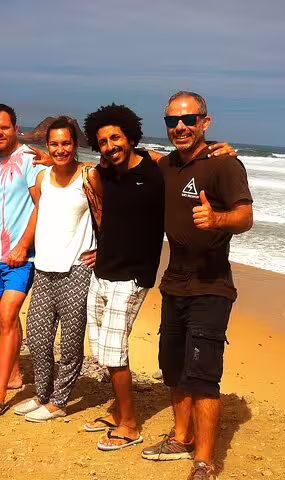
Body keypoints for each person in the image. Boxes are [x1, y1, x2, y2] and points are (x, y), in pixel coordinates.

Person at [141, 92, 253, 480]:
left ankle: (204, 461)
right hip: (173, 284)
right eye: (173, 122)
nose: (181, 127)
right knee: (172, 369)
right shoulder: (167, 165)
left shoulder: (224, 165)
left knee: (203, 375)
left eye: (189, 120)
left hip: (211, 285)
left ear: (206, 122)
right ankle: (181, 437)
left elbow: (245, 216)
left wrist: (218, 219)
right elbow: (123, 156)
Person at [80, 104, 166, 450]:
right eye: (102, 141)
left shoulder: (157, 169)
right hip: (103, 270)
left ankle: (130, 425)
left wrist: (224, 152)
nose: (110, 145)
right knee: (101, 349)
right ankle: (119, 411)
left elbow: (194, 167)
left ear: (130, 136)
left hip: (132, 275)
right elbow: (107, 214)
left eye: (115, 137)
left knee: (114, 351)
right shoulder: (106, 172)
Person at [12, 117, 102, 422]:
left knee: (70, 340)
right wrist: (24, 244)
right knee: (38, 337)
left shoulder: (90, 176)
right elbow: (41, 212)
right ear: (48, 146)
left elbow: (110, 213)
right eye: (55, 144)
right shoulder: (43, 178)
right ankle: (41, 394)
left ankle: (60, 400)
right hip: (45, 267)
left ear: (75, 145)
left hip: (76, 268)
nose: (60, 149)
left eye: (66, 143)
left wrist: (103, 250)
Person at [0, 103, 44, 420]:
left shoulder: (30, 159)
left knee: (7, 318)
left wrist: (25, 244)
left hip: (21, 257)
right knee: (7, 320)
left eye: (4, 126)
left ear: (16, 127)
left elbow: (41, 204)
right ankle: (14, 375)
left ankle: (0, 392)